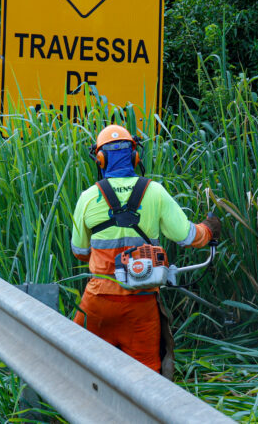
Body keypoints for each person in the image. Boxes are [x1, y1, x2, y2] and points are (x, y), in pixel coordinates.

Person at [70, 124, 221, 376]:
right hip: (141, 304)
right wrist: (208, 229)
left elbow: (79, 251)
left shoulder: (87, 197)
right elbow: (187, 236)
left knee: (77, 368)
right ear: (134, 156)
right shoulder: (154, 192)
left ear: (100, 159)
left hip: (98, 303)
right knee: (146, 379)